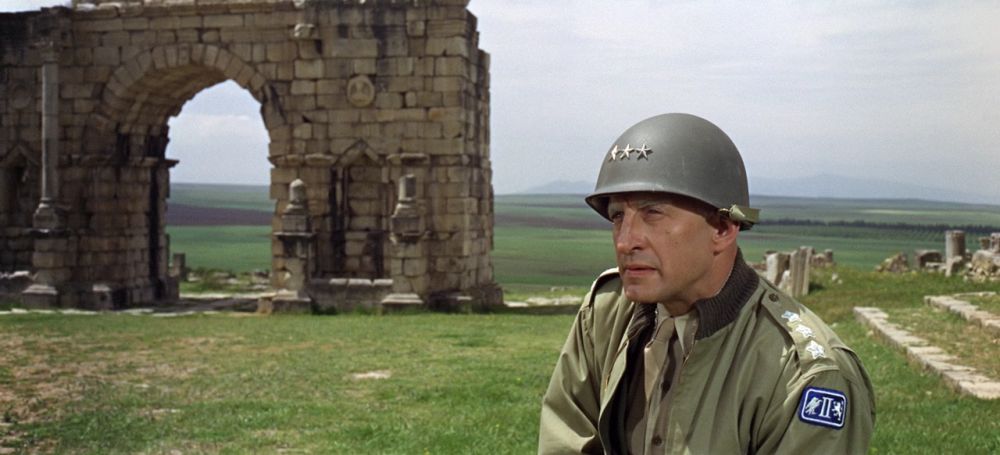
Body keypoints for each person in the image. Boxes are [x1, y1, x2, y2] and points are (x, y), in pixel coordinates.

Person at [537, 113, 875, 454]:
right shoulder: (606, 313)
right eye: (617, 216)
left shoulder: (804, 374)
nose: (625, 241)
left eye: (653, 213)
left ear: (723, 229)